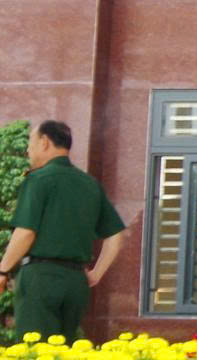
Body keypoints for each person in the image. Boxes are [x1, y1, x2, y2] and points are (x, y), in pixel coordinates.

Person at [0, 120, 124, 341]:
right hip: (76, 281)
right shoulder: (89, 184)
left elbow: (26, 233)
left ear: (44, 142)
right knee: (64, 353)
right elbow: (115, 235)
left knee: (35, 350)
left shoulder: (38, 179)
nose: (28, 149)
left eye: (31, 142)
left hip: (40, 278)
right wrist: (96, 274)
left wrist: (3, 271)